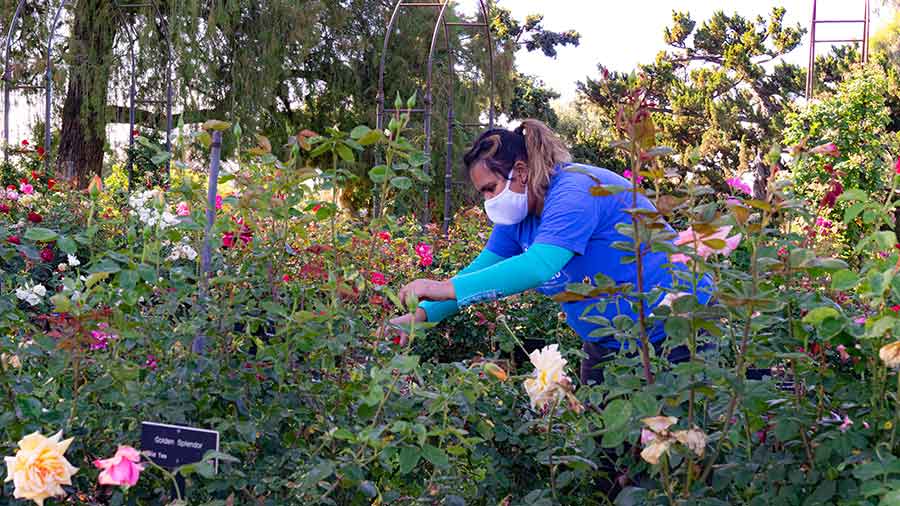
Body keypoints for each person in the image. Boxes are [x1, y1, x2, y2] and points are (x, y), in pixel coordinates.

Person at [388, 119, 713, 385]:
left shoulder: (574, 191)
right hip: (610, 340)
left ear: (522, 171)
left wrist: (438, 287)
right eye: (482, 193)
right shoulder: (517, 216)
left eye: (491, 188)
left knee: (680, 450)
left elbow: (539, 266)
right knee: (608, 450)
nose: (488, 200)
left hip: (678, 324)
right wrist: (421, 316)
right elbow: (474, 276)